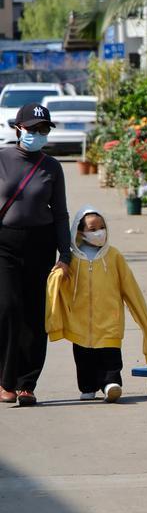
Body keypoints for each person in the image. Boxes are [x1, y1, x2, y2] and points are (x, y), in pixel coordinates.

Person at [46, 207, 147, 402]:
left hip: (110, 322)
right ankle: (88, 387)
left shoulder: (114, 256)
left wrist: (146, 328)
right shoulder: (71, 260)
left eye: (102, 227)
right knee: (83, 358)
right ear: (80, 231)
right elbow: (57, 287)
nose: (99, 232)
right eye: (92, 228)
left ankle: (111, 384)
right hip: (79, 324)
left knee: (111, 358)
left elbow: (132, 291)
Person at [0, 103, 71, 407]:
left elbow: (60, 215)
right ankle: (5, 380)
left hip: (40, 244)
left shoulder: (52, 167)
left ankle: (26, 383)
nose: (38, 134)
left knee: (34, 315)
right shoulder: (2, 158)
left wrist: (65, 254)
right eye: (33, 129)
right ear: (18, 129)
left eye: (43, 130)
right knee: (8, 308)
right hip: (4, 243)